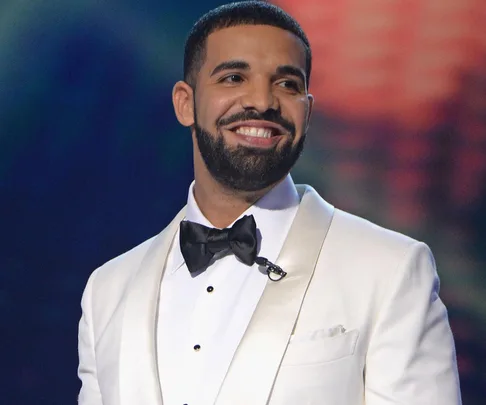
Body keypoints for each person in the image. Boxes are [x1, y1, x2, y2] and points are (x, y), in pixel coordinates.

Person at [77, 2, 462, 404]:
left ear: (308, 112)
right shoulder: (108, 289)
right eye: (233, 77)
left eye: (287, 84)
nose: (262, 101)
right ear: (185, 103)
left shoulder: (391, 270)